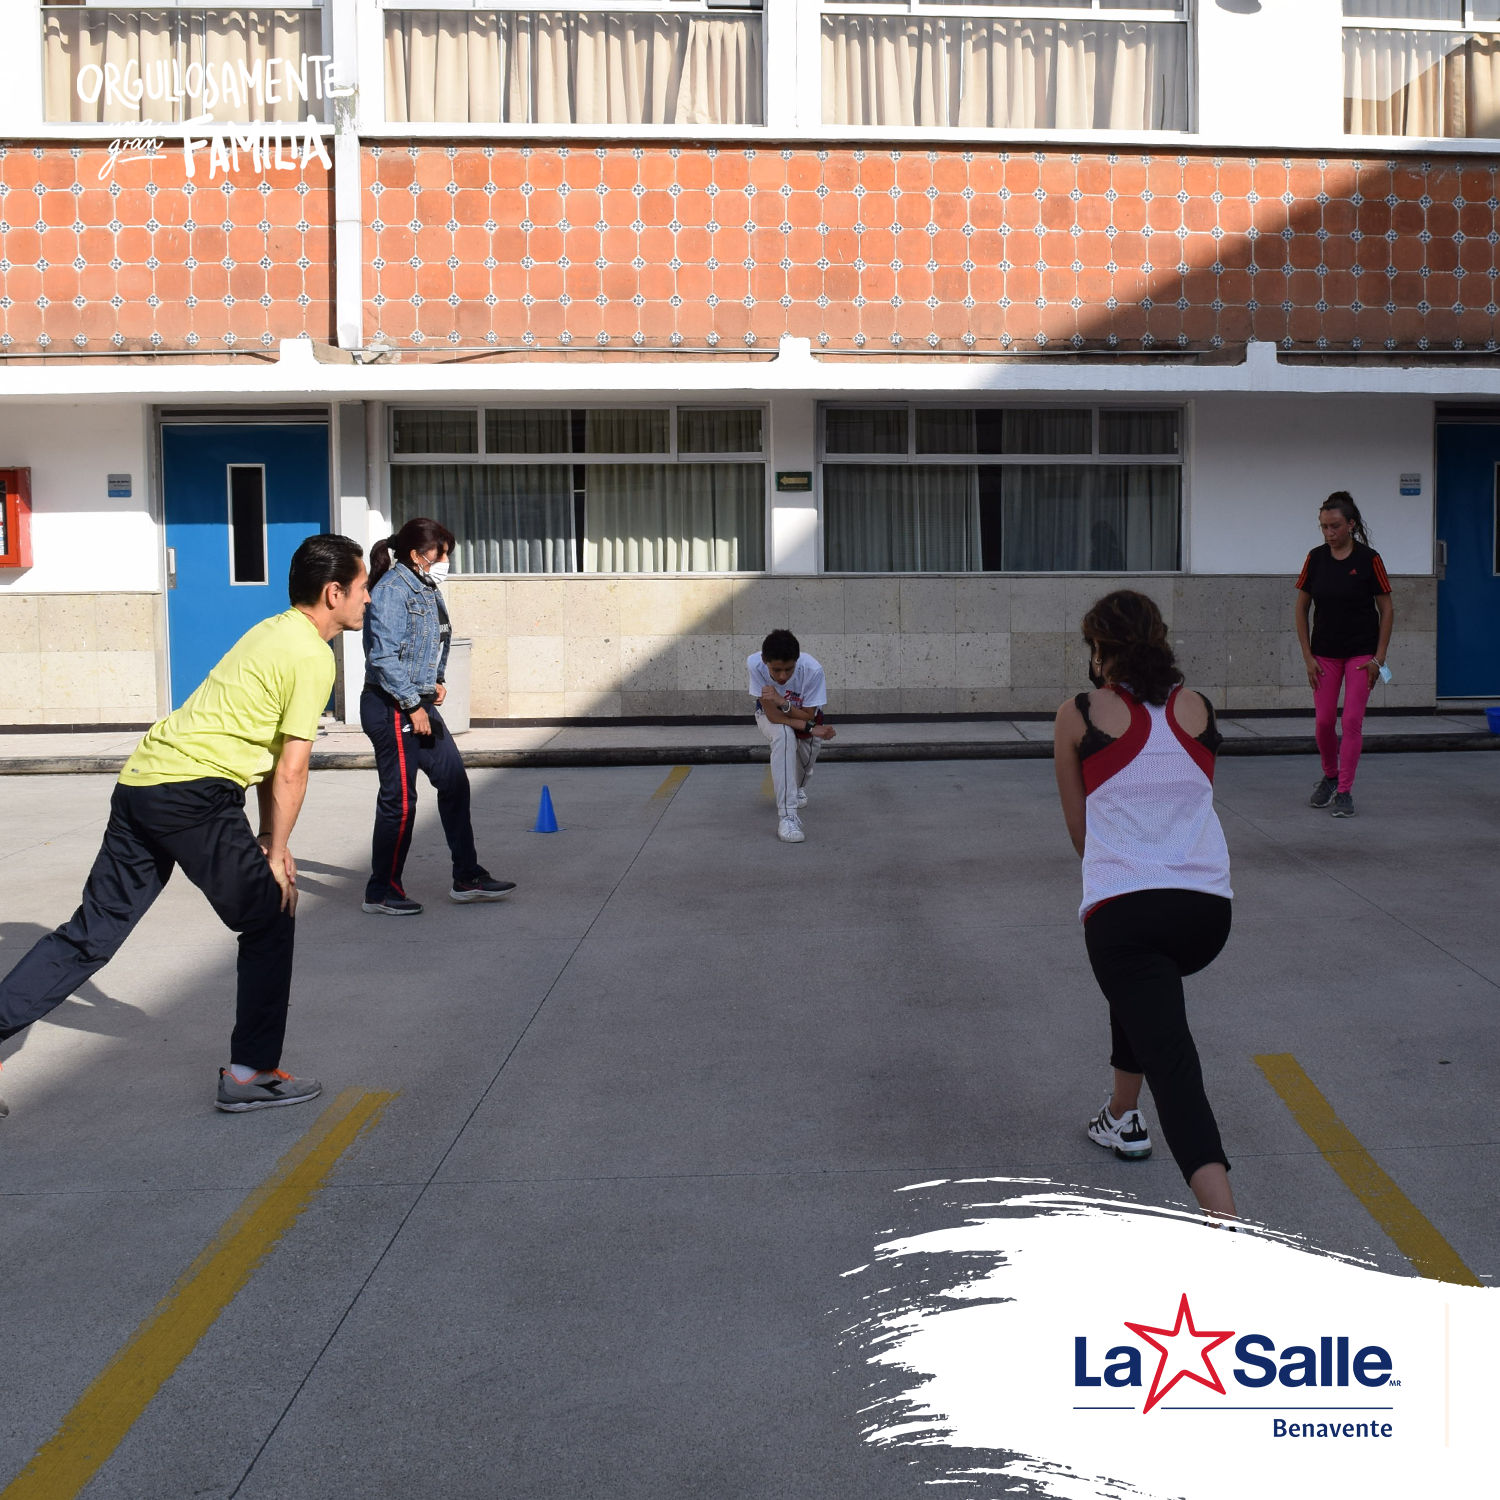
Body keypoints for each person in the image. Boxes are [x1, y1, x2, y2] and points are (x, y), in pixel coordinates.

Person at [0, 533, 369, 1115]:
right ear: (333, 592)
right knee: (270, 915)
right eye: (363, 586)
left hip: (143, 782)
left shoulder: (270, 631)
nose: (368, 598)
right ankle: (251, 1074)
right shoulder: (312, 656)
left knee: (92, 933)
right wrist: (277, 853)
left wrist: (271, 838)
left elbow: (272, 753)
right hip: (192, 795)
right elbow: (292, 768)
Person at [1053, 590, 1237, 1219]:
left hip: (1126, 915)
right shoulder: (1198, 706)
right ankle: (1120, 1115)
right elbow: (1188, 801)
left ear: (1099, 649)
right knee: (1140, 991)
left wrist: (1127, 869)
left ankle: (1227, 1226)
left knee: (1175, 1070)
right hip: (1207, 913)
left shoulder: (1078, 713)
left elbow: (1082, 836)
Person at [361, 518, 515, 915]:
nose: (445, 561)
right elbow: (383, 657)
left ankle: (467, 877)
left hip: (418, 701)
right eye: (440, 553)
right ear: (416, 555)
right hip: (391, 705)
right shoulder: (391, 591)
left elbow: (435, 640)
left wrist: (438, 680)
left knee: (454, 783)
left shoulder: (426, 588)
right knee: (400, 800)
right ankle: (381, 891)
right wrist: (413, 704)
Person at [1294, 492, 1394, 818]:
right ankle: (1330, 776)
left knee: (1351, 721)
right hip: (1323, 654)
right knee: (1324, 722)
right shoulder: (1315, 558)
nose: (1329, 533)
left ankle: (1345, 792)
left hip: (1361, 655)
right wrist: (1308, 657)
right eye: (1324, 527)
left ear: (1351, 524)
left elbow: (1387, 609)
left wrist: (1379, 658)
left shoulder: (1369, 559)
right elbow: (1301, 607)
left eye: (1335, 526)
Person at [750, 629, 836, 845]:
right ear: (765, 661)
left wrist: (783, 702)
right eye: (776, 670)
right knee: (784, 736)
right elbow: (773, 715)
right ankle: (788, 817)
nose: (782, 676)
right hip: (771, 716)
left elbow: (808, 714)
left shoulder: (813, 669)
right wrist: (810, 727)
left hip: (805, 715)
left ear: (797, 661)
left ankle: (797, 788)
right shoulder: (755, 664)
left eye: (789, 669)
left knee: (805, 764)